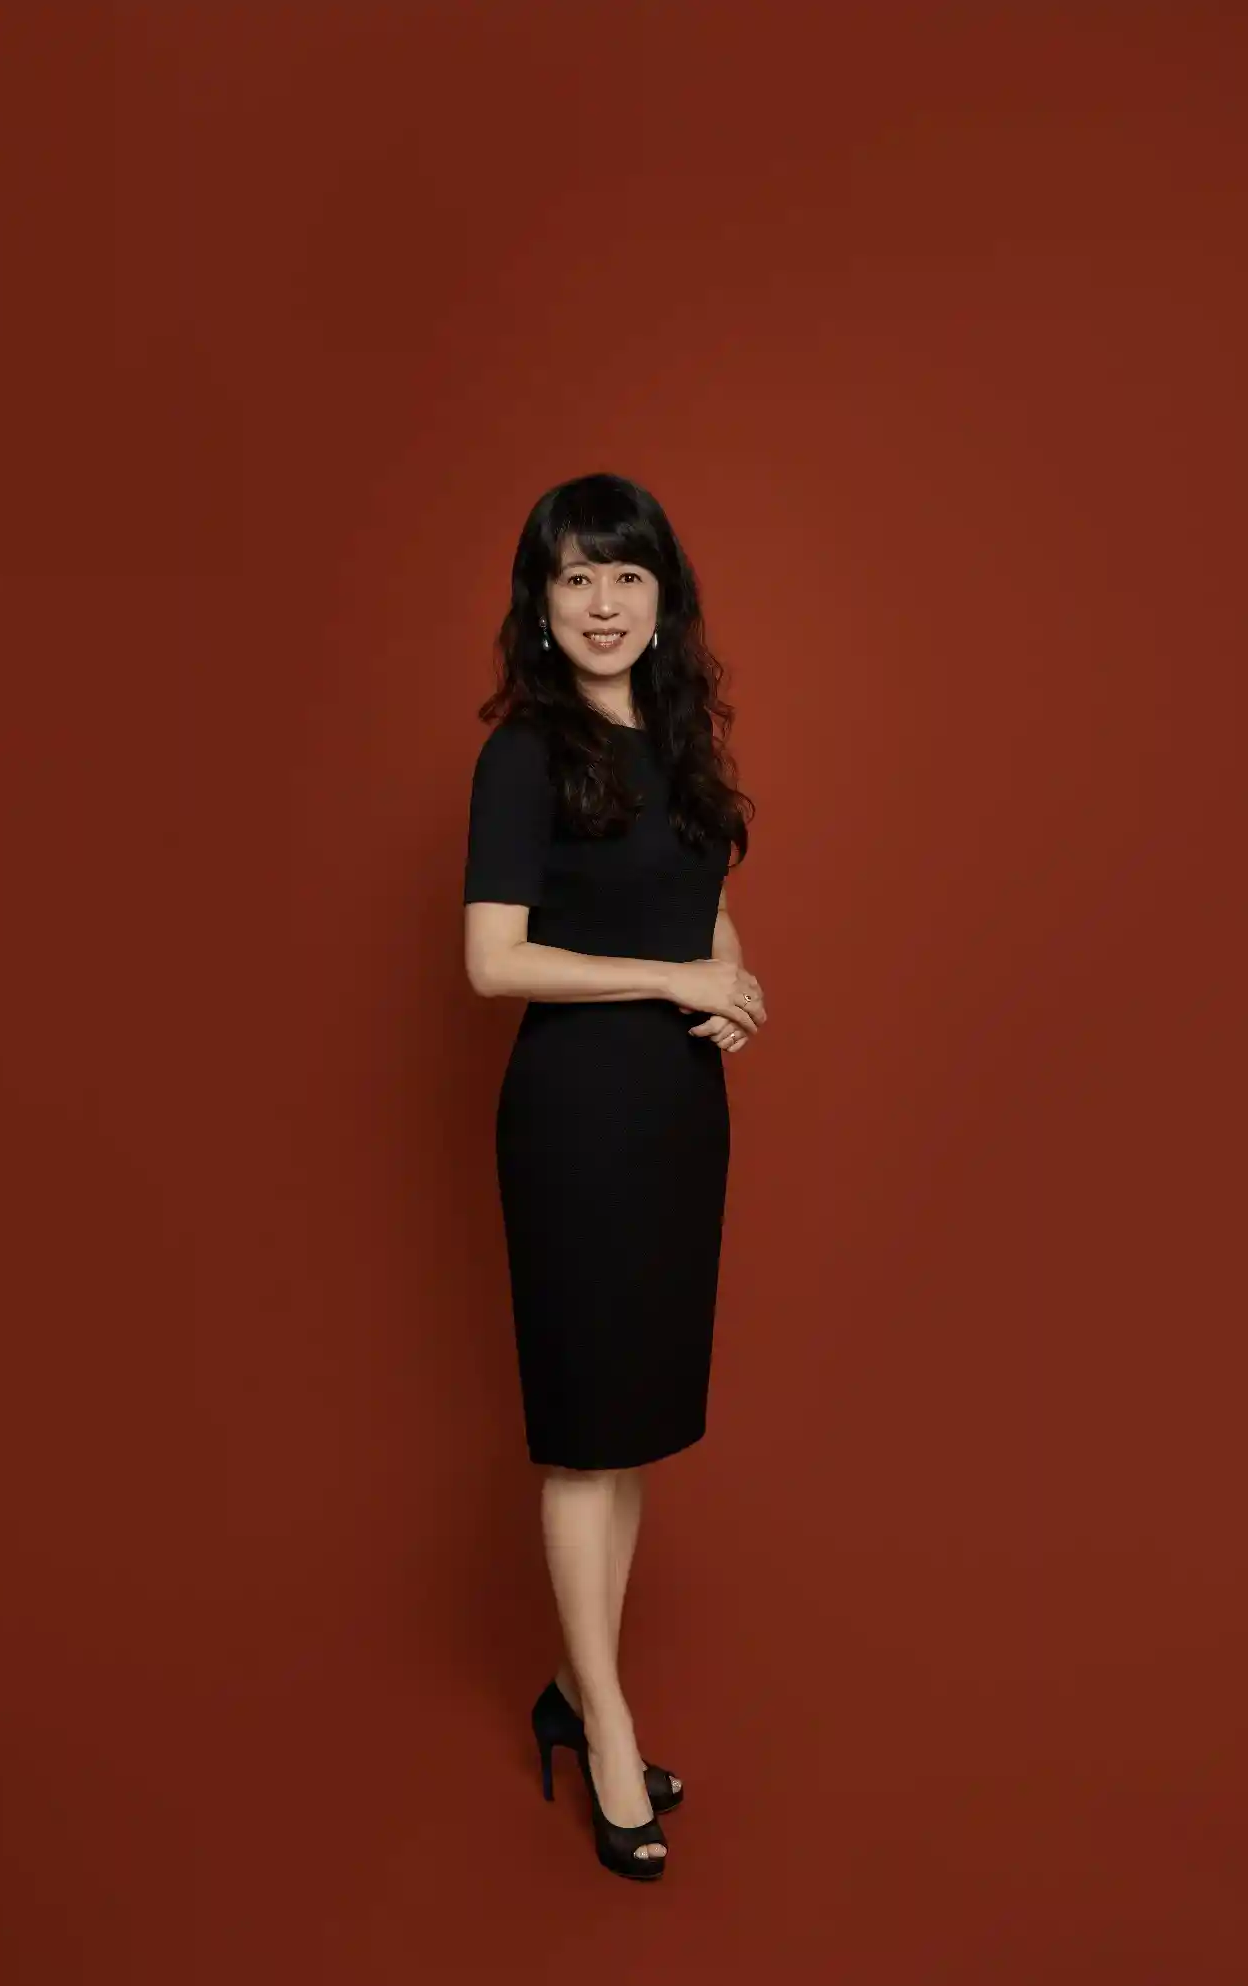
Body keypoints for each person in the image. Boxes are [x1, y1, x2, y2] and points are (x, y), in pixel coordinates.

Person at [461, 471, 767, 1880]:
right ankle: (609, 1725)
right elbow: (491, 960)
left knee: (629, 1429)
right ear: (540, 602)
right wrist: (670, 981)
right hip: (577, 1120)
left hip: (678, 1121)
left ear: (663, 597)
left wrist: (735, 981)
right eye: (575, 576)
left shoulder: (681, 740)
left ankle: (575, 1691)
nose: (602, 602)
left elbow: (707, 906)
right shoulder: (524, 754)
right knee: (587, 1435)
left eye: (626, 575)